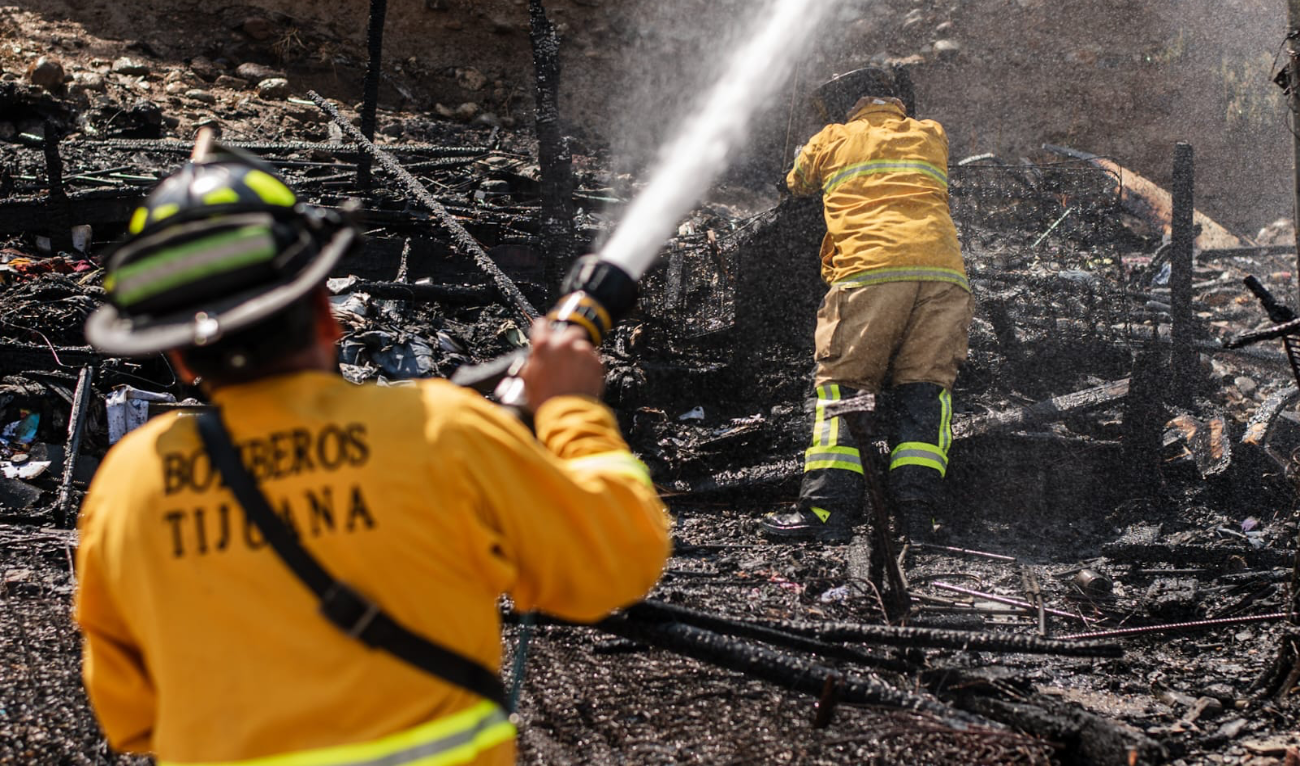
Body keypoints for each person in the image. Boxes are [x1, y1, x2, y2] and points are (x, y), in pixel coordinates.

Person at [74, 143, 671, 766]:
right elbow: (617, 561)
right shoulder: (436, 430)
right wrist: (571, 408)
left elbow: (130, 714)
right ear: (326, 314)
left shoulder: (129, 483)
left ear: (178, 353)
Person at [760, 66, 972, 543]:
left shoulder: (831, 139)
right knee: (925, 393)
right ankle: (918, 517)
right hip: (943, 279)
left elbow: (795, 184)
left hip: (870, 275)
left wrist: (797, 164)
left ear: (849, 107)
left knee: (847, 388)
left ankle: (828, 512)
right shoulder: (930, 134)